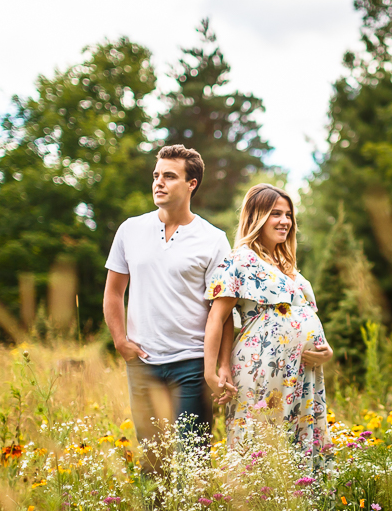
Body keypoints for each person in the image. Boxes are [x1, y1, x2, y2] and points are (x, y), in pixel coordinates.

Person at [103, 144, 236, 463]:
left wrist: (223, 364)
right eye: (156, 175)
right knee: (153, 461)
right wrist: (120, 342)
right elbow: (113, 292)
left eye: (169, 176)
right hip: (143, 364)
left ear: (192, 183)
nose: (158, 182)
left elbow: (225, 311)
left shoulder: (213, 239)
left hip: (191, 365)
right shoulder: (130, 230)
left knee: (193, 459)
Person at [203, 184, 334, 470]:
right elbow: (217, 316)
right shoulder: (241, 259)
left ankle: (300, 510)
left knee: (299, 442)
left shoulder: (288, 265)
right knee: (260, 441)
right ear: (256, 217)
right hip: (262, 366)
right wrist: (211, 369)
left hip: (302, 372)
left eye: (288, 214)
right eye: (276, 213)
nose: (285, 221)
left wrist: (326, 351)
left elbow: (306, 316)